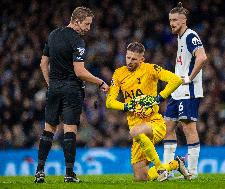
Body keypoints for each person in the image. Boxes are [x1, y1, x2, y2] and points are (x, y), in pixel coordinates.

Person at [34, 7, 109, 183]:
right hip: (71, 90)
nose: (89, 28)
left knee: (48, 129)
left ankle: (39, 171)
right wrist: (100, 82)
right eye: (87, 24)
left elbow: (43, 63)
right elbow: (80, 72)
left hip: (54, 89)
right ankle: (69, 173)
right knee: (70, 129)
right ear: (76, 21)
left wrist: (50, 84)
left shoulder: (53, 35)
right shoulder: (77, 41)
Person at [106, 42, 188, 181]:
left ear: (141, 59)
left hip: (154, 122)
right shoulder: (119, 73)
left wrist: (158, 98)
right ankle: (175, 164)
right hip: (135, 125)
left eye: (133, 59)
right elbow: (109, 102)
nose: (129, 61)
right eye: (127, 57)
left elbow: (175, 80)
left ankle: (159, 168)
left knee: (135, 132)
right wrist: (128, 106)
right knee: (141, 178)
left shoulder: (150, 69)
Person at [163, 2, 207, 180]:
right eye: (170, 20)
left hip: (188, 90)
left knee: (189, 128)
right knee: (168, 127)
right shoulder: (180, 37)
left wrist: (190, 77)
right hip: (177, 90)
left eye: (175, 20)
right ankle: (167, 170)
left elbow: (202, 57)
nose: (171, 23)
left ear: (184, 20)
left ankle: (193, 171)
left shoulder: (190, 35)